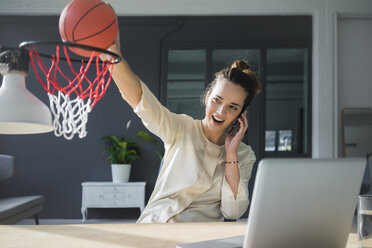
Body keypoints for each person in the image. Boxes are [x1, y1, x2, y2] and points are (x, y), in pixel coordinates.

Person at [101, 34, 261, 223]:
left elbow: (233, 211)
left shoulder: (244, 155)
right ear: (207, 96)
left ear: (241, 114)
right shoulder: (181, 127)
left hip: (198, 237)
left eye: (232, 107)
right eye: (217, 100)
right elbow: (141, 101)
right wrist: (113, 57)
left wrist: (231, 154)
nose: (220, 111)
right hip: (155, 225)